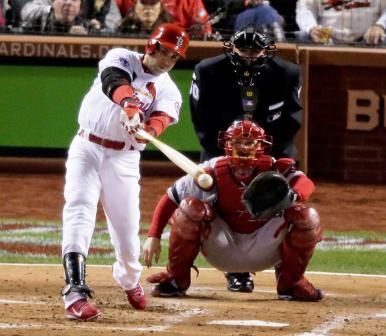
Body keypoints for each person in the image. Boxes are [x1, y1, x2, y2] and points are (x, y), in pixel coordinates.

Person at [60, 23, 189, 321]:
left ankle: (129, 279)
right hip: (86, 147)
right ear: (151, 46)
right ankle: (75, 289)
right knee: (79, 210)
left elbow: (162, 119)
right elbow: (113, 80)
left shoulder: (169, 90)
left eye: (174, 57)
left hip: (124, 159)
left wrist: (147, 130)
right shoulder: (121, 57)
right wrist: (130, 105)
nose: (167, 61)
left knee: (127, 233)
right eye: (165, 52)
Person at [143, 120, 324, 302]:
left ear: (261, 146)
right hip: (222, 246)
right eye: (238, 142)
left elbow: (306, 183)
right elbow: (170, 198)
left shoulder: (275, 168)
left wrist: (293, 194)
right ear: (227, 144)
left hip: (265, 247)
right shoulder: (210, 170)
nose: (244, 147)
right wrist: (154, 235)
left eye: (250, 142)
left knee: (308, 217)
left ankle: (291, 283)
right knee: (189, 208)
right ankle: (176, 278)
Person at [189, 26, 302, 292]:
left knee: (289, 207)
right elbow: (201, 118)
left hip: (272, 148)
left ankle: (286, 271)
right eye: (244, 50)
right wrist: (226, 158)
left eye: (255, 50)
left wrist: (265, 161)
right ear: (232, 48)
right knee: (216, 205)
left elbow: (291, 121)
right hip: (221, 148)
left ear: (266, 50)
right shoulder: (208, 71)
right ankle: (236, 272)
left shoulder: (288, 73)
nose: (249, 56)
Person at [296, 0, 386, 45]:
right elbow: (305, 9)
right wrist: (312, 28)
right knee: (303, 36)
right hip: (325, 40)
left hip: (368, 41)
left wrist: (380, 25)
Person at [21, 0, 89, 34]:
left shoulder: (86, 25)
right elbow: (26, 12)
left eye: (74, 0)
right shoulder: (39, 18)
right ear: (53, 2)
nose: (69, 2)